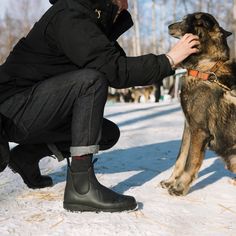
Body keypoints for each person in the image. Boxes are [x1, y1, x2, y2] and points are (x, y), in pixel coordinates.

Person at [0, 0, 200, 212]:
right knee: (91, 81)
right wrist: (168, 59)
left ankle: (27, 156)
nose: (129, 3)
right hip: (11, 111)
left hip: (33, 109)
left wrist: (170, 61)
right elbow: (114, 71)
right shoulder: (70, 15)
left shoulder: (90, 19)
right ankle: (81, 188)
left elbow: (120, 69)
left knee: (105, 134)